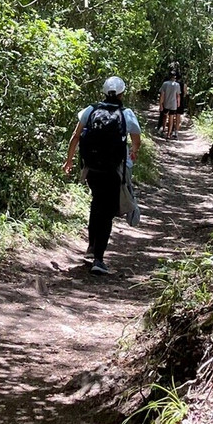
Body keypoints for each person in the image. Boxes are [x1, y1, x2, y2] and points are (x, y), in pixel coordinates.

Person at [62, 76, 141, 275]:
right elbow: (136, 140)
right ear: (122, 94)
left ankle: (91, 248)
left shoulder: (90, 110)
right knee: (106, 211)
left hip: (92, 168)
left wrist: (69, 160)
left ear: (104, 92)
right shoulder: (126, 114)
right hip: (113, 170)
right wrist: (133, 153)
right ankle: (99, 258)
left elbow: (76, 135)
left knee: (97, 202)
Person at [159, 71, 182, 140]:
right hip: (173, 104)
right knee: (171, 118)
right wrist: (178, 103)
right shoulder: (177, 85)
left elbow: (162, 95)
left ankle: (163, 130)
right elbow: (178, 95)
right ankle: (169, 134)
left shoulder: (165, 84)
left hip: (166, 103)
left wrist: (160, 104)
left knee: (165, 116)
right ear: (175, 77)